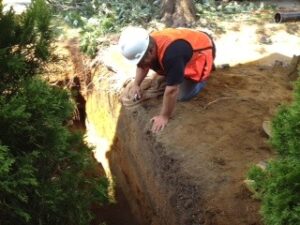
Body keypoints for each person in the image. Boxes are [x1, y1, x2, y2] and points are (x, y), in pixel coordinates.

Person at [118, 27, 216, 133]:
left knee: (182, 95)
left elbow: (172, 91)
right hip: (187, 45)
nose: (141, 65)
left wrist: (164, 116)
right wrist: (136, 84)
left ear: (150, 51)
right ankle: (178, 70)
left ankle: (201, 80)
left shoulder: (172, 55)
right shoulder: (147, 43)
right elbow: (142, 65)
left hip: (204, 48)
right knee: (162, 69)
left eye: (141, 61)